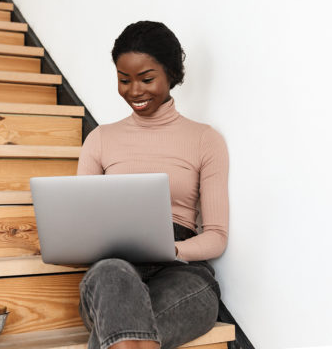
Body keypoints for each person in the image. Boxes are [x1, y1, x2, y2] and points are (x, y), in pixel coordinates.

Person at [77, 21, 229, 349]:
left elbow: (216, 236)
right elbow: (82, 223)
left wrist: (172, 249)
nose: (134, 91)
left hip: (183, 270)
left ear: (171, 74)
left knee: (126, 336)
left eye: (146, 79)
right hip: (113, 271)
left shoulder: (205, 140)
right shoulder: (100, 139)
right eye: (123, 80)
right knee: (113, 281)